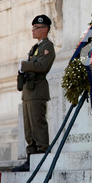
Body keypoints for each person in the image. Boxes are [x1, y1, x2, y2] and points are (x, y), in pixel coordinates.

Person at [12, 15, 56, 172]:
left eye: (36, 28)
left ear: (45, 29)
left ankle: (42, 157)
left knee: (38, 125)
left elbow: (42, 66)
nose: (33, 30)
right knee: (29, 129)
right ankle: (31, 160)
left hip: (38, 91)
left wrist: (24, 65)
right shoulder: (35, 48)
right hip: (29, 91)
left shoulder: (47, 47)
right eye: (33, 28)